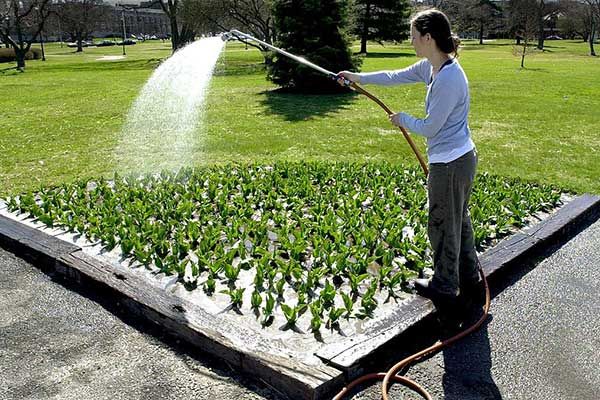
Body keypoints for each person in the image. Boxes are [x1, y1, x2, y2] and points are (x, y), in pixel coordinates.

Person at [337, 9, 482, 329]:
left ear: (429, 38)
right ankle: (470, 278)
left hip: (451, 163)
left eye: (414, 35)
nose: (411, 40)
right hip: (456, 159)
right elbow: (393, 76)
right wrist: (358, 78)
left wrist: (403, 120)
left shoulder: (448, 79)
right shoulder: (433, 68)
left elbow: (431, 127)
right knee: (459, 221)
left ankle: (446, 287)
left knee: (443, 223)